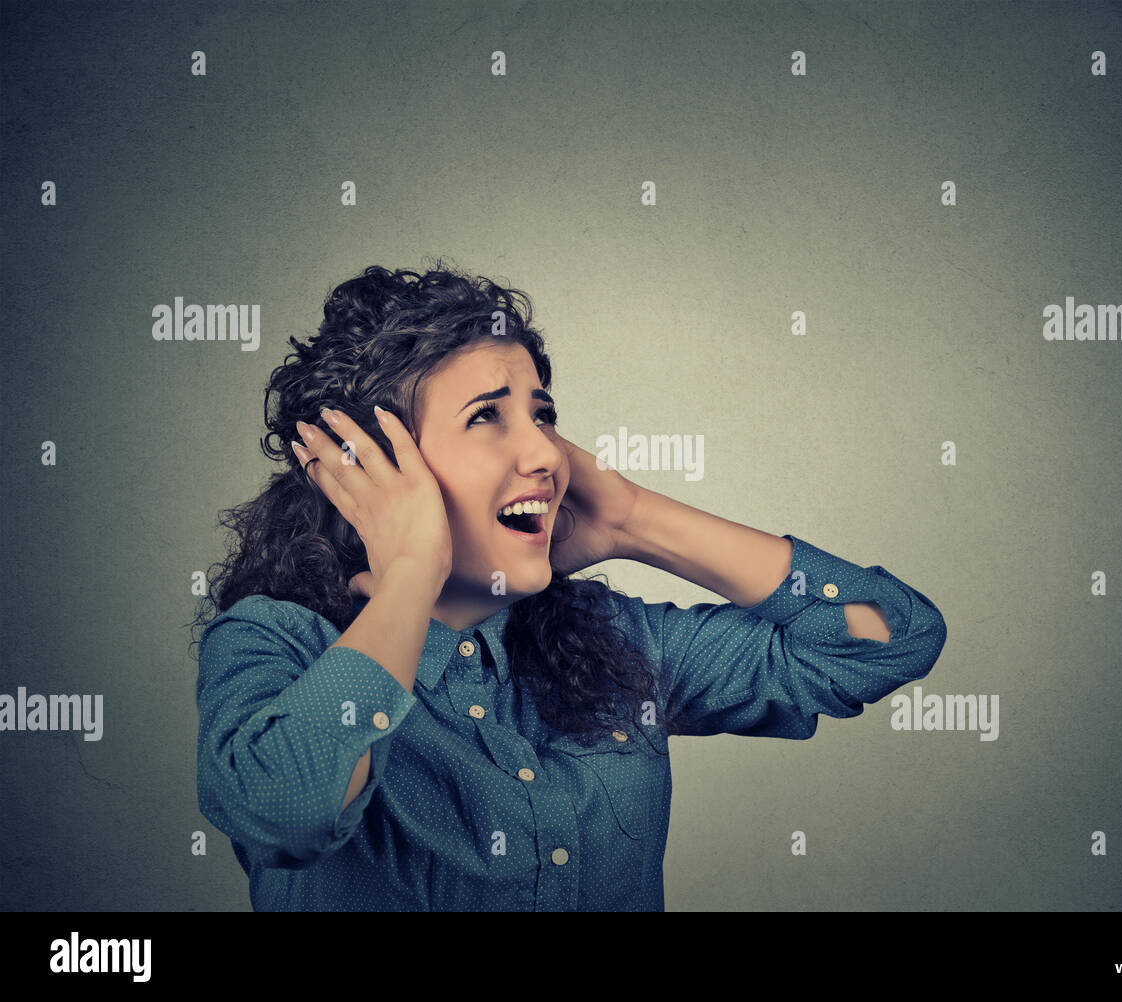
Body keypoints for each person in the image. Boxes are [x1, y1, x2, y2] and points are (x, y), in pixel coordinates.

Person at [191, 260, 947, 911]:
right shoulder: (273, 642)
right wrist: (409, 575)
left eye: (544, 417)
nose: (547, 454)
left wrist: (632, 518)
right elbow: (288, 811)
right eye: (488, 417)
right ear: (375, 468)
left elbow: (889, 636)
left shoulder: (620, 642)